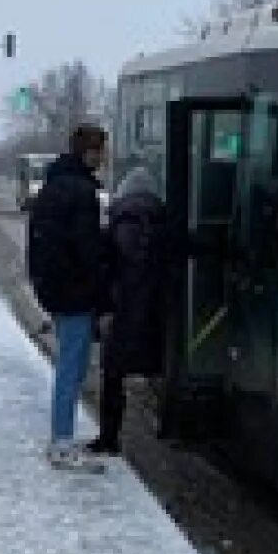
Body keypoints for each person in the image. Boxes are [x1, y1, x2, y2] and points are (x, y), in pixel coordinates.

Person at [26, 124, 110, 472]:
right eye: (101, 150)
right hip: (74, 290)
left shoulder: (54, 185)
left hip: (55, 286)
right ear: (89, 153)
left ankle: (63, 438)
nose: (104, 157)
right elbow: (87, 250)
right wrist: (101, 292)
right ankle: (62, 442)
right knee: (71, 368)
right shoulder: (81, 192)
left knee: (68, 363)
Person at [88, 167, 168, 456]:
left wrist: (101, 312)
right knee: (164, 368)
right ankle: (167, 424)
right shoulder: (165, 225)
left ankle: (109, 438)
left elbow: (101, 273)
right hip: (156, 316)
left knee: (113, 376)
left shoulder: (112, 228)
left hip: (121, 314)